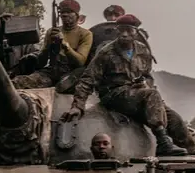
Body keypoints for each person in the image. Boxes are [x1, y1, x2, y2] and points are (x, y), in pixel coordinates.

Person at [60, 14, 187, 156]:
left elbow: (147, 76)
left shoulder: (142, 51)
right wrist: (77, 106)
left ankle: (193, 160)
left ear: (136, 32)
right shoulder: (106, 52)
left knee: (175, 120)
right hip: (114, 96)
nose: (125, 34)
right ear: (117, 31)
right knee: (152, 95)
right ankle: (163, 143)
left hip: (138, 96)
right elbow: (87, 80)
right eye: (121, 30)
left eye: (129, 30)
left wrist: (145, 86)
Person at [12, 0, 93, 88]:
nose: (65, 14)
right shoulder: (51, 32)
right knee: (19, 82)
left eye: (69, 12)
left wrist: (64, 44)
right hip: (51, 72)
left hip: (72, 74)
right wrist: (48, 47)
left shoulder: (85, 34)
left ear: (77, 15)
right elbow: (41, 63)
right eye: (62, 12)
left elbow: (80, 62)